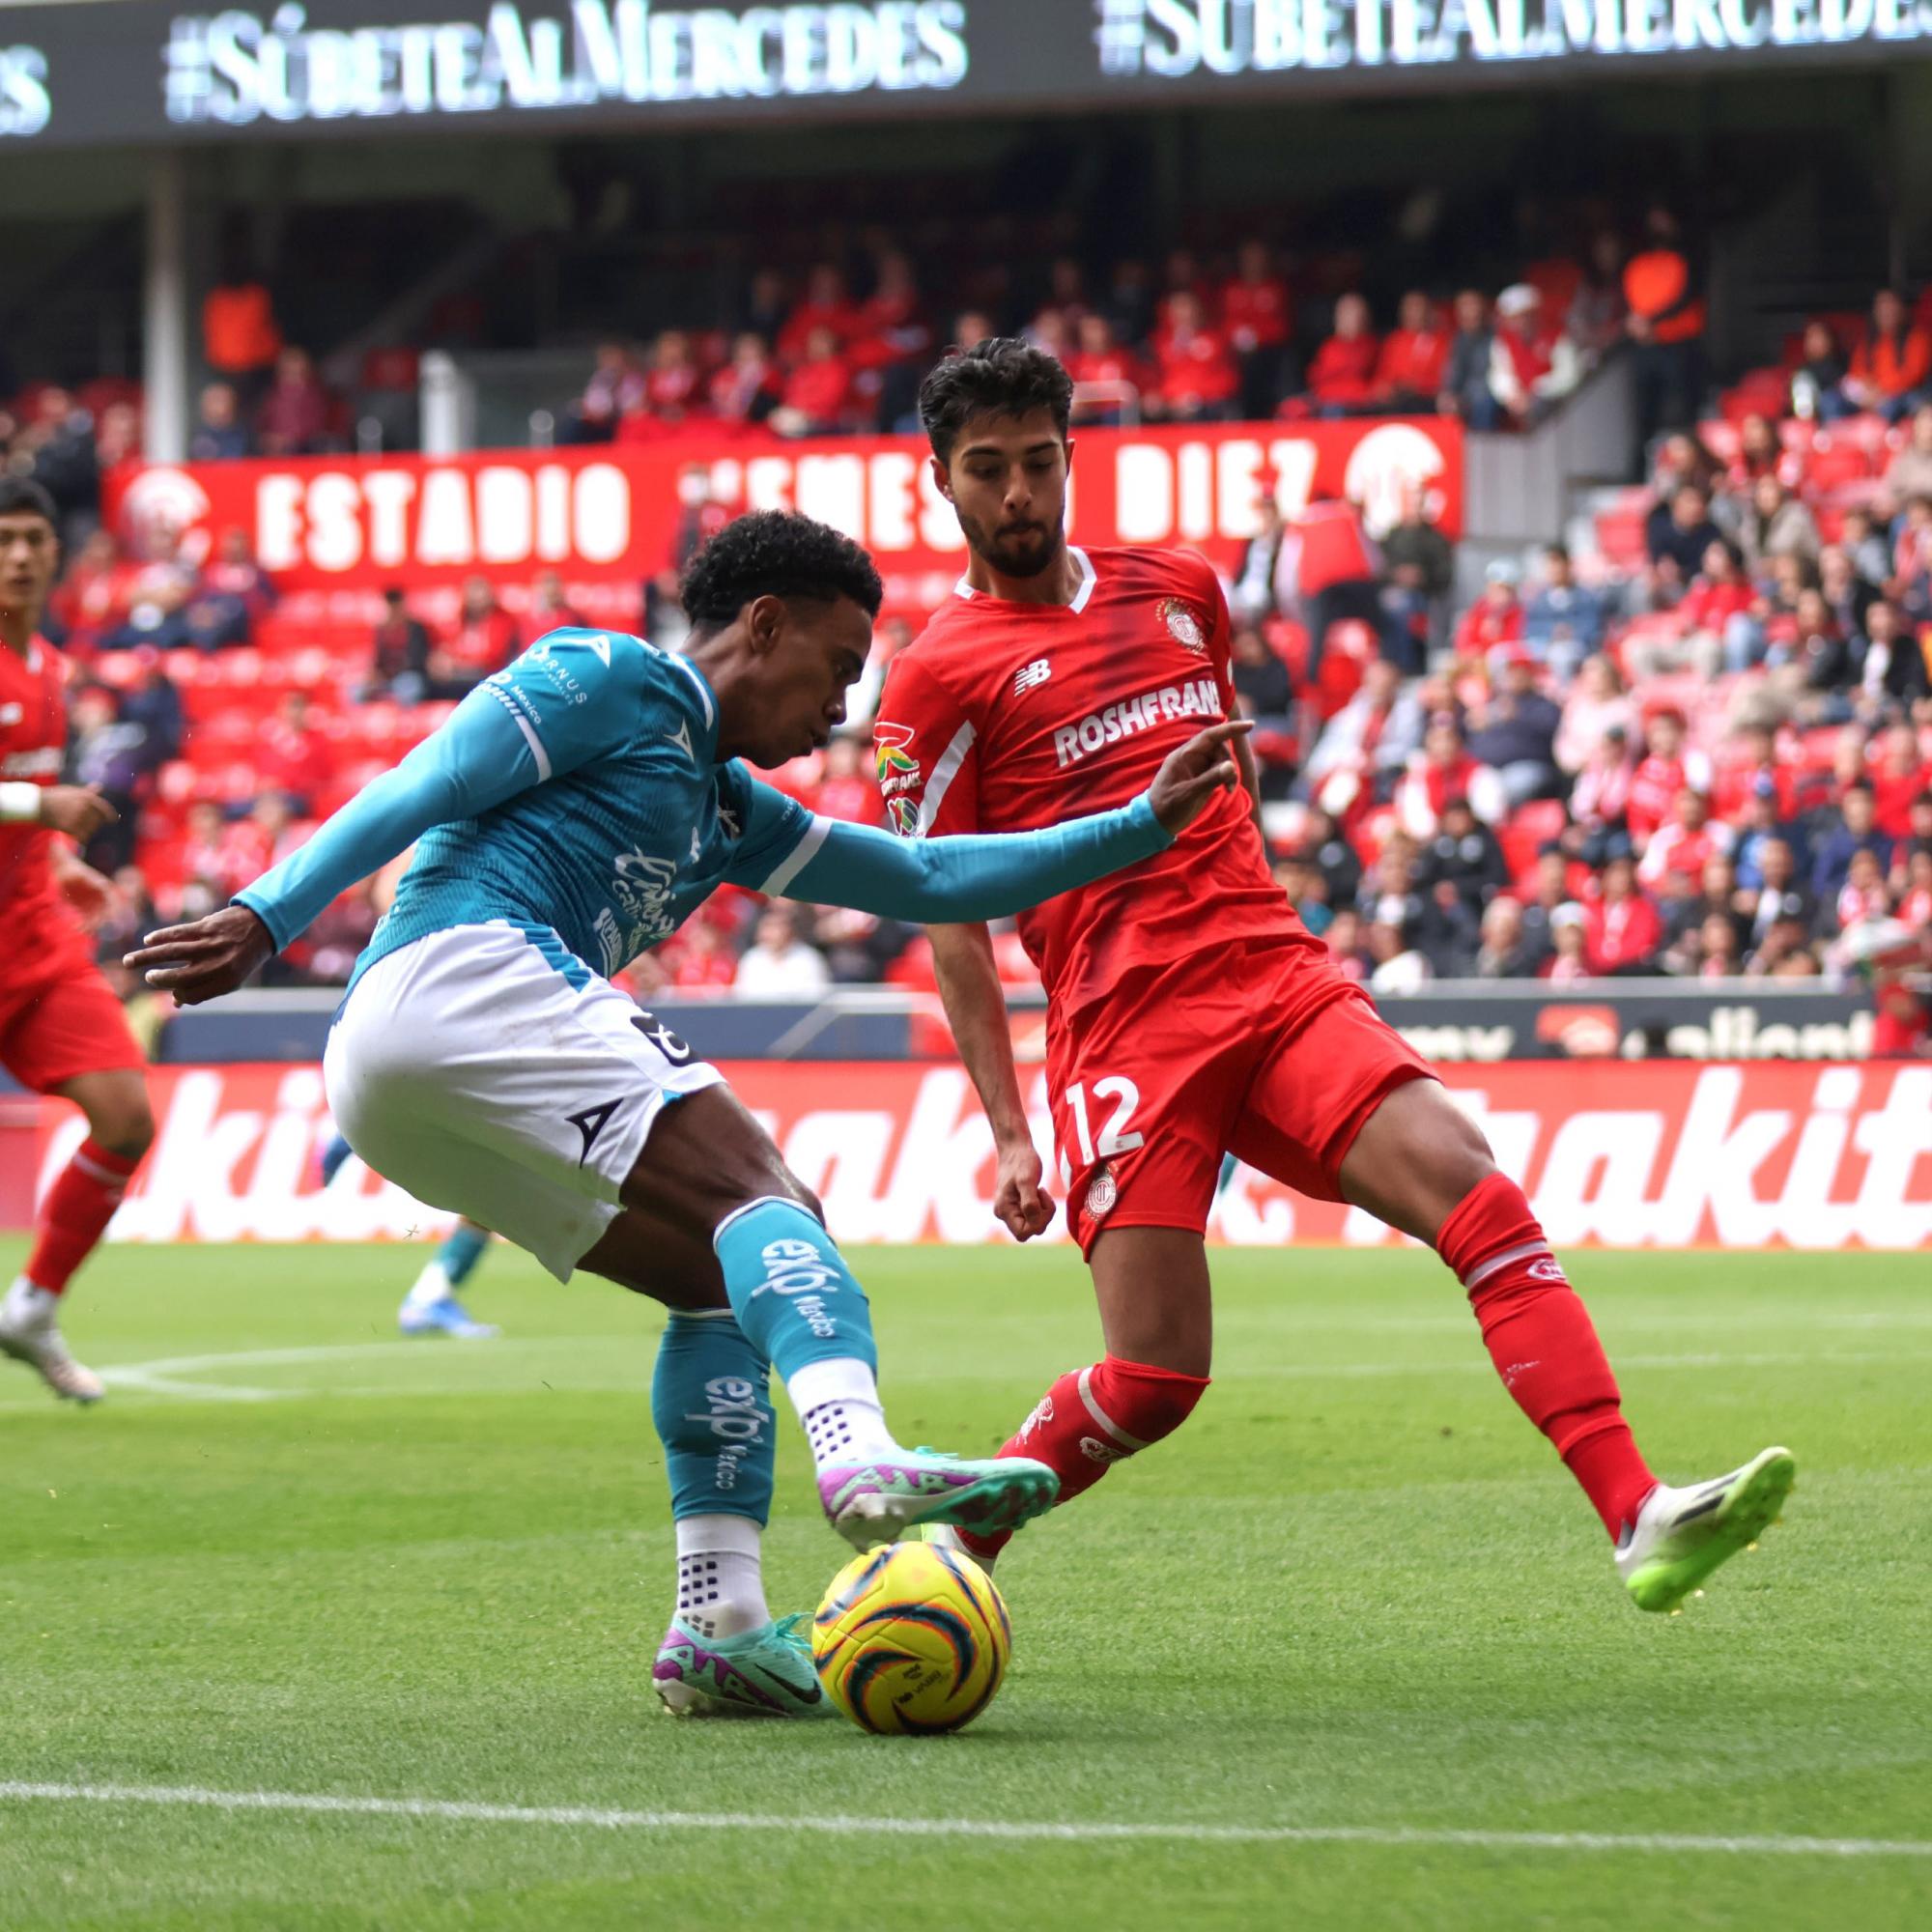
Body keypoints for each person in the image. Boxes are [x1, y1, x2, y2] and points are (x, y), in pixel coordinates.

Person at [126, 508, 1245, 1718]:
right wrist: (268, 911)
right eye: (836, 665)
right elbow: (430, 777)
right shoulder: (611, 677)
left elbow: (927, 877)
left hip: (399, 1074)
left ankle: (717, 1621)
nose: (843, 705)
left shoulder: (731, 810)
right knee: (771, 1197)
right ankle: (858, 1452)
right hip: (458, 969)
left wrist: (1139, 825)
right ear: (762, 624)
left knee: (716, 1280)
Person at [879, 338, 1791, 1616]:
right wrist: (1012, 1132)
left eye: (1040, 461)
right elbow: (948, 920)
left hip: (1272, 975)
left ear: (1070, 456)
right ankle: (950, 1546)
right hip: (1125, 1031)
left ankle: (1637, 1512)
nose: (1021, 492)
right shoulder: (934, 680)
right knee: (1154, 1376)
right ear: (943, 481)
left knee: (1478, 1195)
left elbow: (1233, 768)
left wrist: (1268, 916)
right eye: (990, 470)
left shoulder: (1180, 591)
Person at [0, 479, 156, 1404]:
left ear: (59, 555)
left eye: (34, 540)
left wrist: (58, 857)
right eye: (5, 539)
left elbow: (26, 800)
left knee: (127, 1117)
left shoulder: (51, 670)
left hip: (30, 936)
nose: (19, 556)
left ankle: (31, 1305)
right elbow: (25, 792)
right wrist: (39, 806)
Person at [732, 904, 832, 998]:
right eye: (768, 926)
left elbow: (815, 999)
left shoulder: (809, 960)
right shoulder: (751, 959)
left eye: (778, 927)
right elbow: (741, 998)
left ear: (790, 930)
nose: (772, 933)